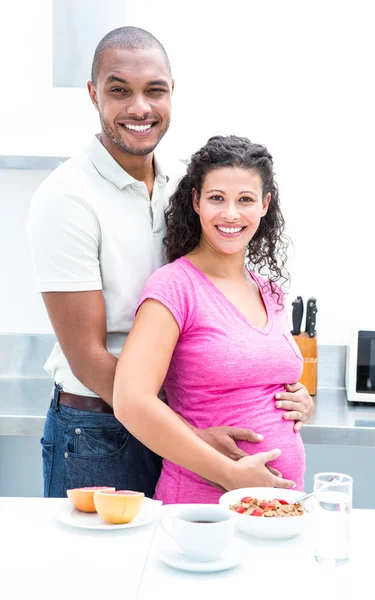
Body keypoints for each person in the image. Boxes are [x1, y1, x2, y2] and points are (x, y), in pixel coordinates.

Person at [27, 26, 313, 499]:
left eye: (154, 90)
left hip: (171, 421)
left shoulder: (184, 181)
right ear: (93, 94)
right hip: (100, 428)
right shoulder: (65, 199)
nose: (139, 107)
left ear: (172, 93)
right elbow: (88, 355)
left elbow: (215, 301)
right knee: (100, 572)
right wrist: (186, 435)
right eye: (119, 90)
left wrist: (286, 391)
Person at [113, 135, 309, 504]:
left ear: (265, 205)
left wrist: (300, 402)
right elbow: (131, 401)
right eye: (217, 198)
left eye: (245, 200)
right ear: (196, 202)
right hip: (202, 507)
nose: (231, 214)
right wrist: (230, 474)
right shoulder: (175, 286)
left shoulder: (269, 290)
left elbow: (262, 382)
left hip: (279, 508)